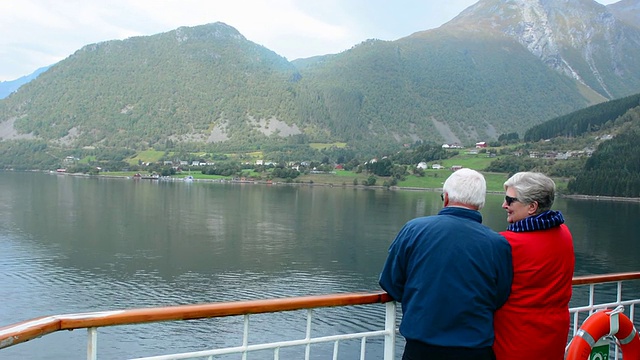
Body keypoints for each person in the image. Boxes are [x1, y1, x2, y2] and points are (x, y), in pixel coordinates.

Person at [379, 168, 513, 360]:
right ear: (481, 203)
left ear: (447, 197)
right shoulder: (498, 244)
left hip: (421, 349)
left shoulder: (414, 229)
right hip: (475, 350)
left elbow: (391, 282)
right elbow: (499, 296)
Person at [493, 172, 575, 360]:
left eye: (510, 200)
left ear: (532, 206)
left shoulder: (506, 244)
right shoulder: (564, 233)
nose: (504, 205)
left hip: (514, 342)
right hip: (554, 337)